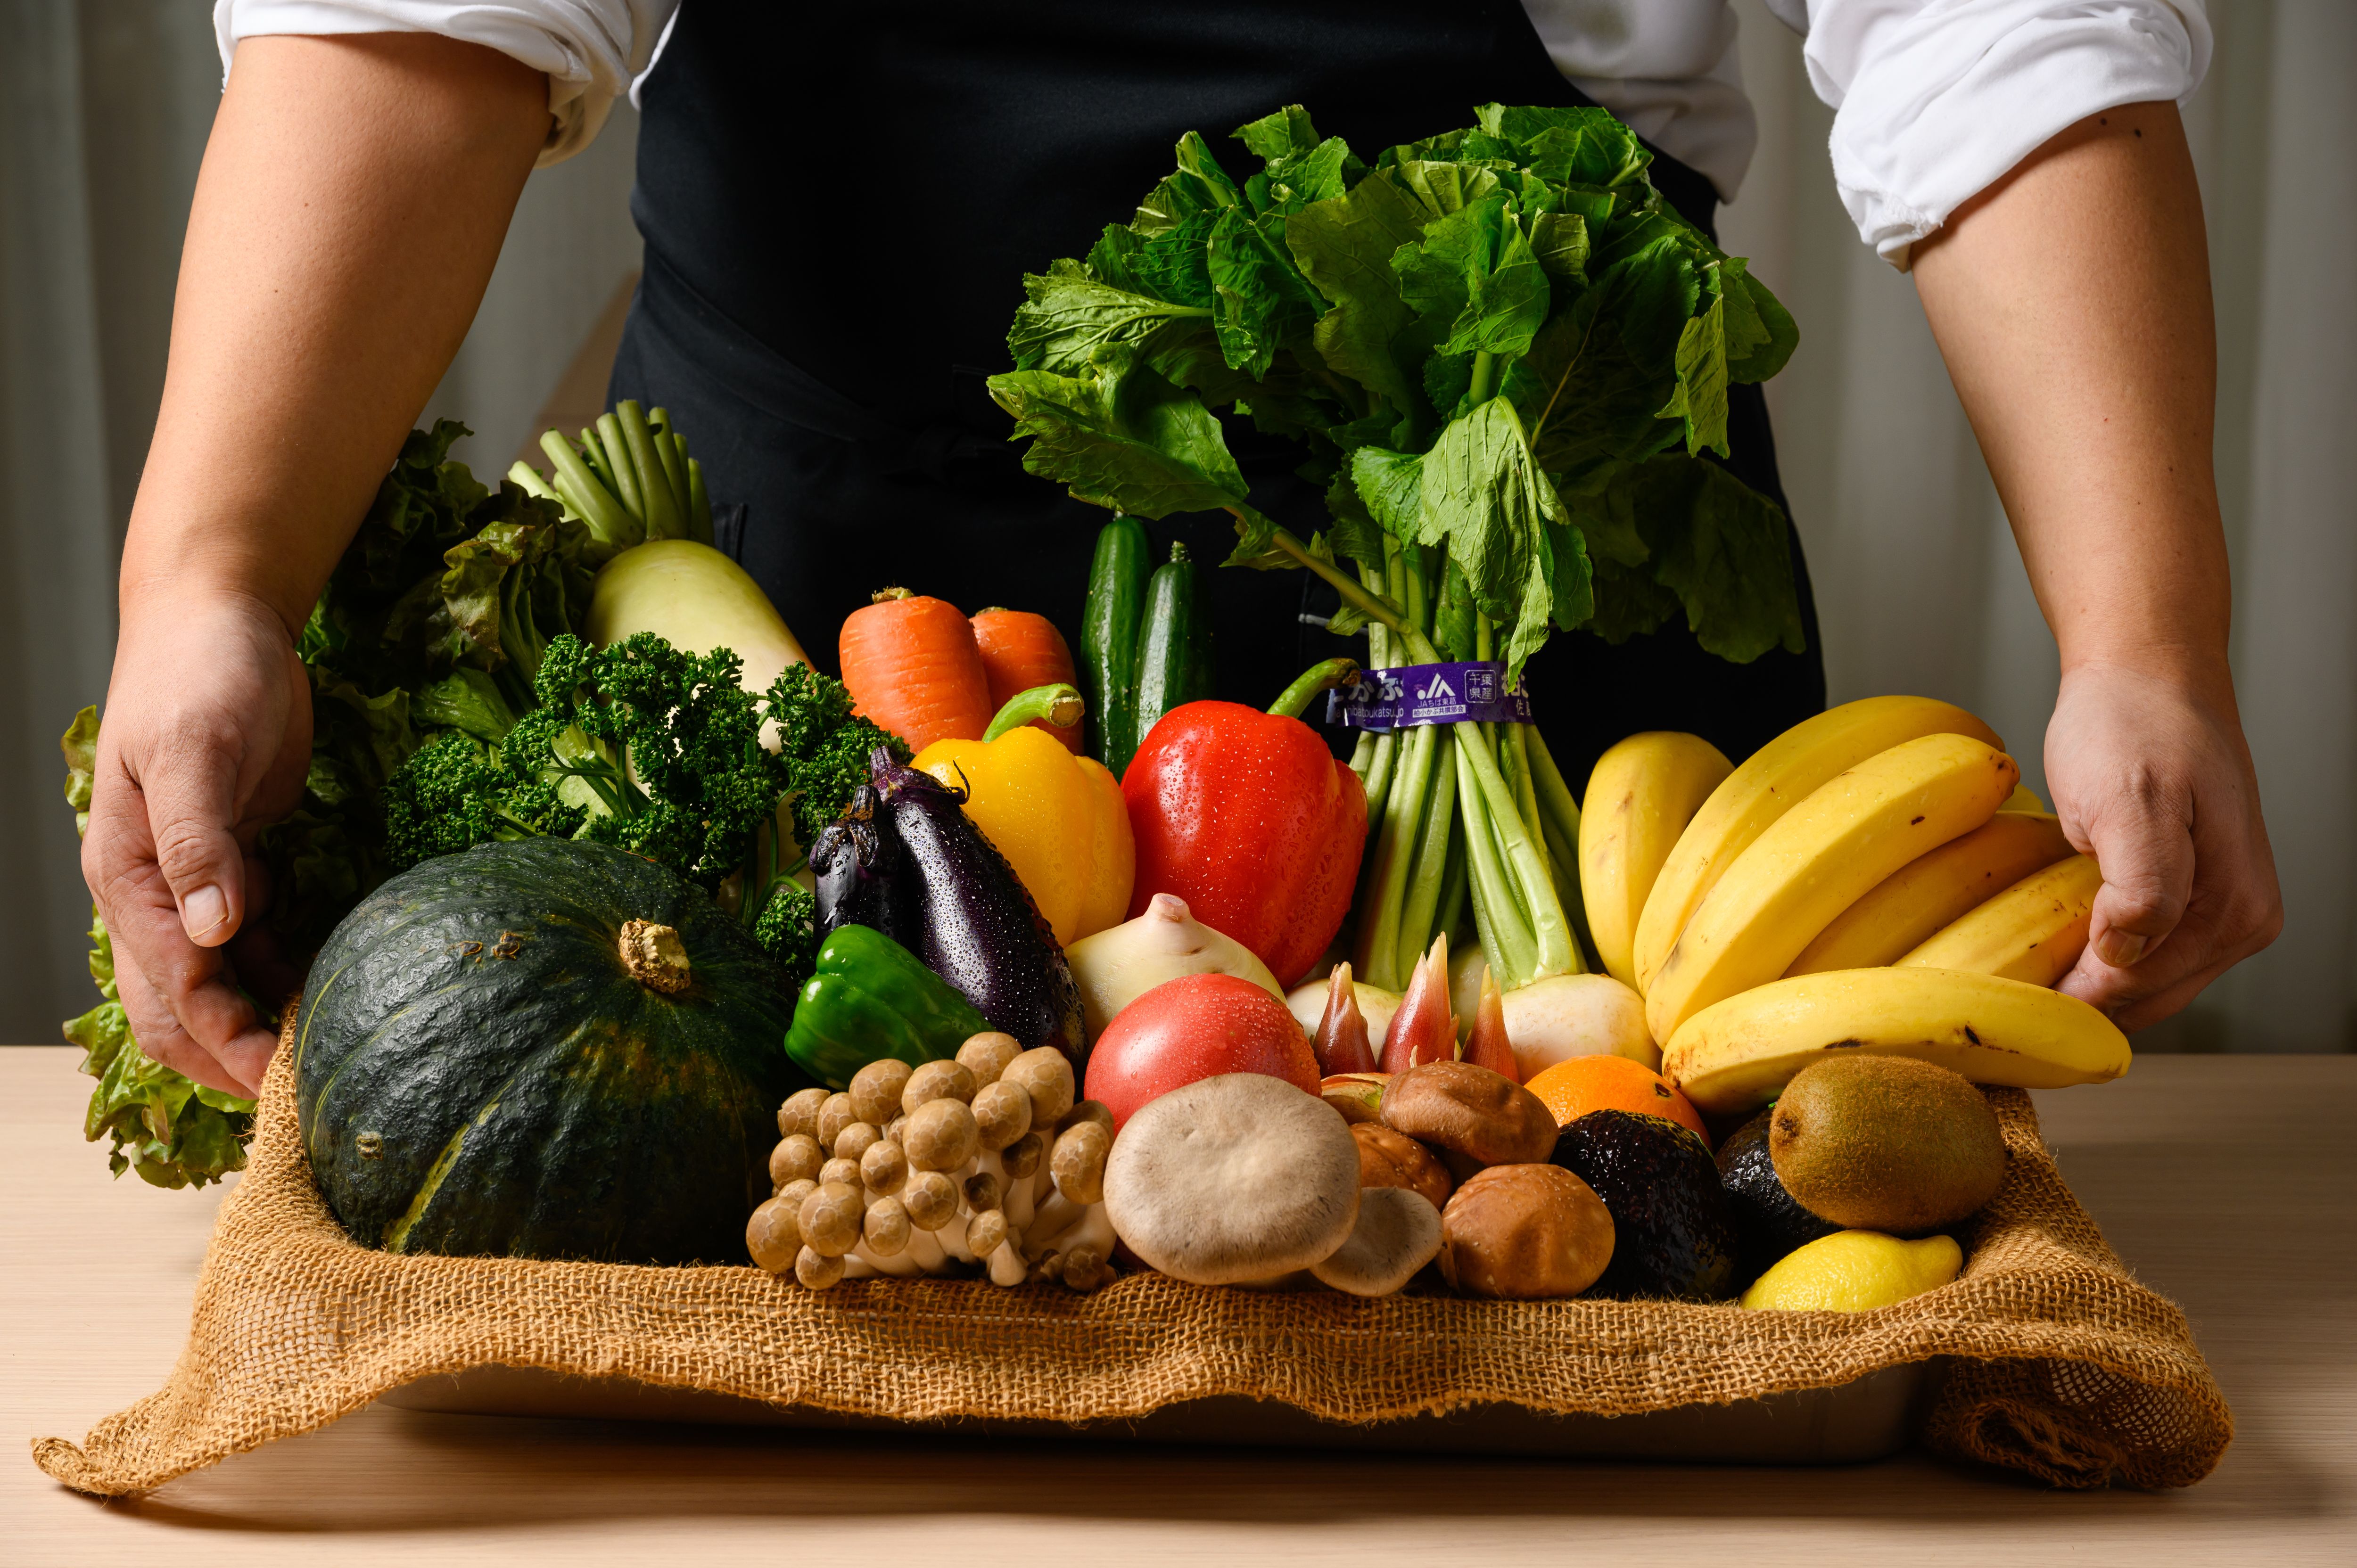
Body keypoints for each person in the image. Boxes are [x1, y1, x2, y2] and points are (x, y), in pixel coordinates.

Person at [88, 0, 2277, 1099]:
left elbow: (1994, 29)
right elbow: (425, 20)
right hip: (824, 686)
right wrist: (211, 579)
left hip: (1517, 697)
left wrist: (2144, 638)